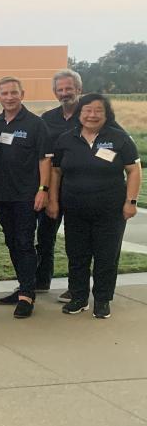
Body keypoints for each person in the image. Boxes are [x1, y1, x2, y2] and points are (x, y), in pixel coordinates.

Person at [49, 94, 141, 319]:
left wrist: (131, 202)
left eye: (98, 110)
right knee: (77, 255)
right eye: (87, 110)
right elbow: (56, 171)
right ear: (79, 114)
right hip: (75, 210)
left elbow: (134, 170)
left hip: (110, 210)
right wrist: (52, 199)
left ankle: (102, 299)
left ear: (106, 114)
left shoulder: (119, 138)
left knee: (106, 256)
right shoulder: (66, 139)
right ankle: (79, 298)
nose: (92, 115)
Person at [38, 69, 124, 303]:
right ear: (55, 92)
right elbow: (44, 156)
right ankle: (42, 280)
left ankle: (78, 290)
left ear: (78, 89)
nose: (65, 93)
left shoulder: (91, 113)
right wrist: (45, 191)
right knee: (46, 236)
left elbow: (121, 145)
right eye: (60, 89)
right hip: (56, 187)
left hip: (87, 191)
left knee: (83, 243)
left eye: (69, 88)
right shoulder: (47, 119)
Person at [0, 77, 51, 318]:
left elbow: (45, 159)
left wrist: (43, 189)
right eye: (4, 93)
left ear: (22, 94)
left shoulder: (36, 124)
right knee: (11, 241)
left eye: (13, 92)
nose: (9, 97)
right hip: (2, 195)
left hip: (27, 194)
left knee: (25, 241)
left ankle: (27, 294)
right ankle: (23, 285)